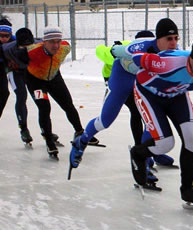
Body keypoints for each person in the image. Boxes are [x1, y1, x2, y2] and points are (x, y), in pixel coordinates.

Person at [69, 18, 179, 183]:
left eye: (176, 38)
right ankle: (82, 140)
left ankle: (146, 159)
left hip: (144, 79)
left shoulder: (175, 51)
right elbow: (112, 51)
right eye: (169, 39)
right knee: (105, 121)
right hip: (123, 75)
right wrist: (114, 49)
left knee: (152, 118)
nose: (173, 43)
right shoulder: (137, 48)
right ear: (158, 39)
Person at [130, 35, 193, 206]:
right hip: (149, 94)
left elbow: (188, 82)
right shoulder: (169, 63)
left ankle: (187, 189)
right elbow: (136, 58)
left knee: (190, 137)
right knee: (165, 144)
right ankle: (138, 154)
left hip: (176, 94)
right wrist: (118, 52)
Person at [11, 27, 99, 158]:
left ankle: (79, 132)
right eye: (52, 42)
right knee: (44, 107)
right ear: (44, 42)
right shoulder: (29, 52)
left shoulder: (65, 47)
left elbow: (61, 47)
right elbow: (9, 55)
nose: (56, 45)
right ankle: (49, 141)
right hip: (35, 82)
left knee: (68, 105)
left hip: (54, 78)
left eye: (58, 41)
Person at [0, 28, 60, 146]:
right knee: (21, 96)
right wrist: (7, 65)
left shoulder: (40, 44)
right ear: (18, 45)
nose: (27, 50)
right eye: (24, 47)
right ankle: (23, 129)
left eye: (30, 46)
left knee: (41, 102)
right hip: (16, 73)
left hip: (33, 74)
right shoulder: (7, 49)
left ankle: (46, 131)